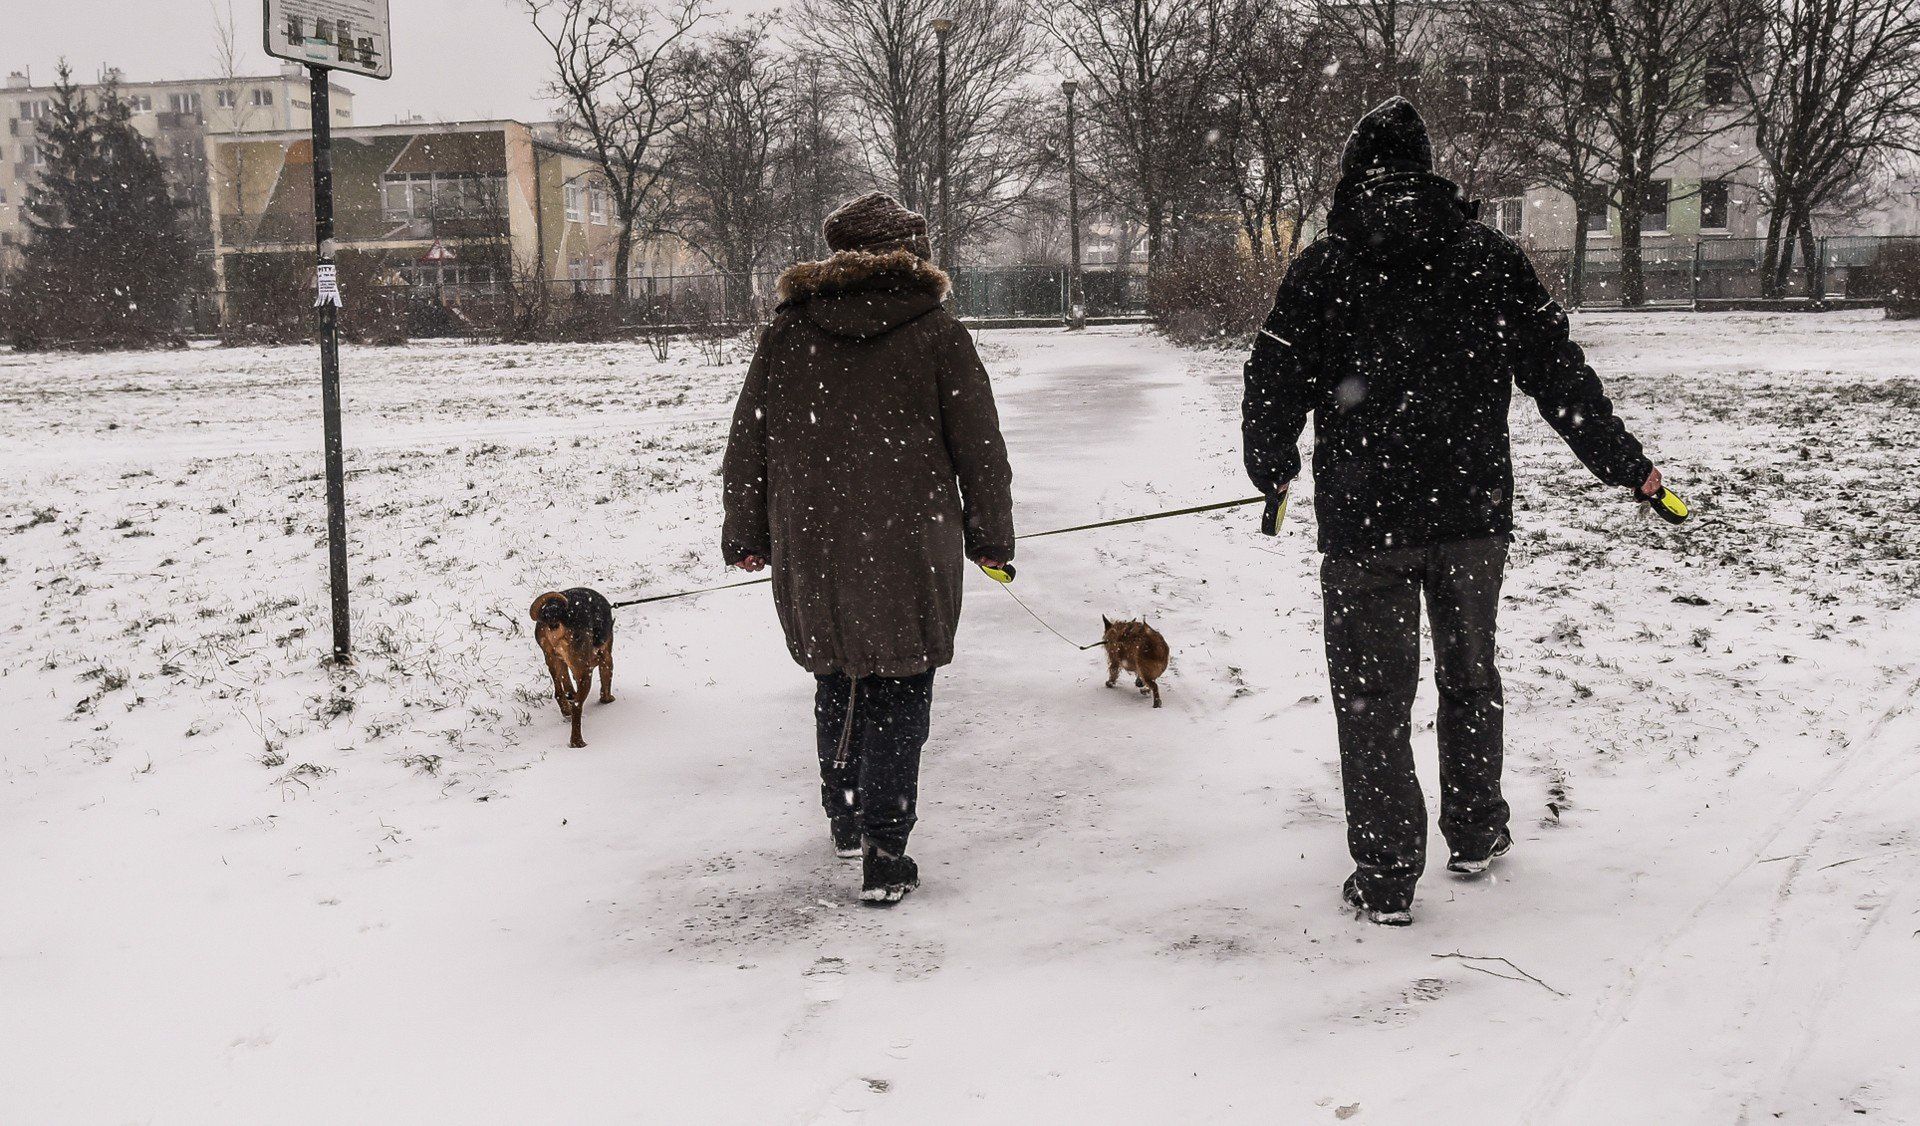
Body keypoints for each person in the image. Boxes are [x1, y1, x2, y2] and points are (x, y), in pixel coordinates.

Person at [1241, 98, 1666, 926]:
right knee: (1470, 676)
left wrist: (1273, 466)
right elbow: (1558, 373)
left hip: (1368, 522)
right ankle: (1474, 830)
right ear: (1427, 167)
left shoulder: (1329, 264)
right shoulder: (1487, 256)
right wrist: (1628, 466)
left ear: (1356, 172)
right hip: (1472, 512)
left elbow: (1273, 372)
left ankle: (1390, 872)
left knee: (1373, 697)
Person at [721, 191, 1015, 906]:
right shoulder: (938, 332)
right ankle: (886, 849)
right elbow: (980, 448)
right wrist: (991, 537)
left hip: (815, 541)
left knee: (837, 674)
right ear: (908, 252)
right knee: (903, 682)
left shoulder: (789, 332)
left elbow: (747, 441)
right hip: (911, 542)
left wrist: (746, 532)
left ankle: (846, 813)